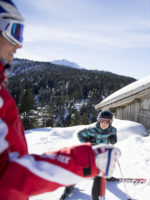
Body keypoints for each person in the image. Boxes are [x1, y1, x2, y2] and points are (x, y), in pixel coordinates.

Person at [0, 1, 120, 200]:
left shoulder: (112, 131)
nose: (19, 44)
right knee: (78, 176)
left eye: (20, 33)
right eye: (14, 30)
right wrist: (88, 150)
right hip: (87, 160)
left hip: (94, 162)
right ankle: (69, 188)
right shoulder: (94, 129)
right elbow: (7, 175)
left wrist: (107, 145)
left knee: (97, 177)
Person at [60, 110, 117, 200]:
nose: (104, 124)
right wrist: (87, 142)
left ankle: (106, 177)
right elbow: (79, 134)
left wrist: (113, 139)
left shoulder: (112, 130)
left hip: (102, 152)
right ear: (99, 120)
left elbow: (114, 135)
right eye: (102, 121)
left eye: (107, 121)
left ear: (110, 122)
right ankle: (69, 188)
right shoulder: (92, 129)